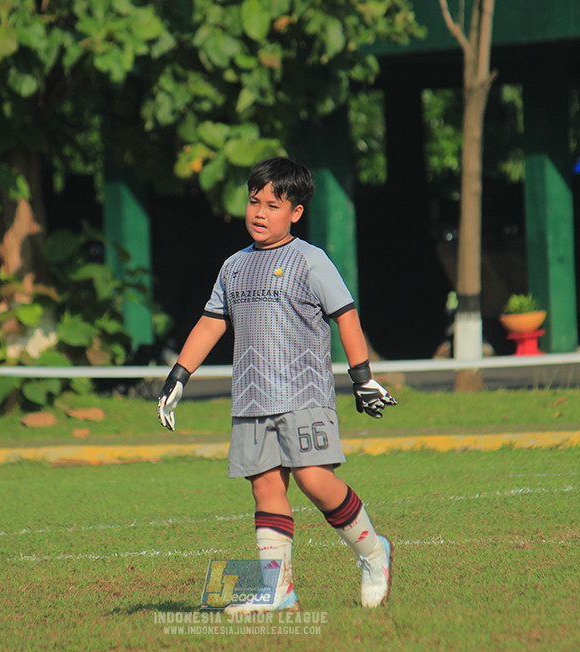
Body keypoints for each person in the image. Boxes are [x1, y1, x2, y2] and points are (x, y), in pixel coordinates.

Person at [156, 156, 398, 614]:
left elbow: (345, 314)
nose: (260, 212)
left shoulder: (311, 260)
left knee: (315, 480)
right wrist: (178, 375)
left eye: (273, 204)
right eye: (254, 202)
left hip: (303, 396)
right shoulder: (232, 266)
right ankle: (278, 590)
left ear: (296, 213)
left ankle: (373, 553)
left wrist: (361, 376)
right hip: (250, 399)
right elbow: (211, 323)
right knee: (265, 488)